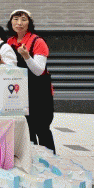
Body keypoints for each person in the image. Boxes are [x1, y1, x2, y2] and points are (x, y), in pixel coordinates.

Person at [7, 9, 56, 152]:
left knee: (42, 128)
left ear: (29, 23)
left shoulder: (37, 41)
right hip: (20, 91)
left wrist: (27, 56)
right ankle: (31, 158)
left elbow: (39, 71)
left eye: (23, 19)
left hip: (39, 92)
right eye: (16, 19)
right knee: (27, 128)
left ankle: (50, 159)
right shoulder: (10, 41)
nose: (19, 23)